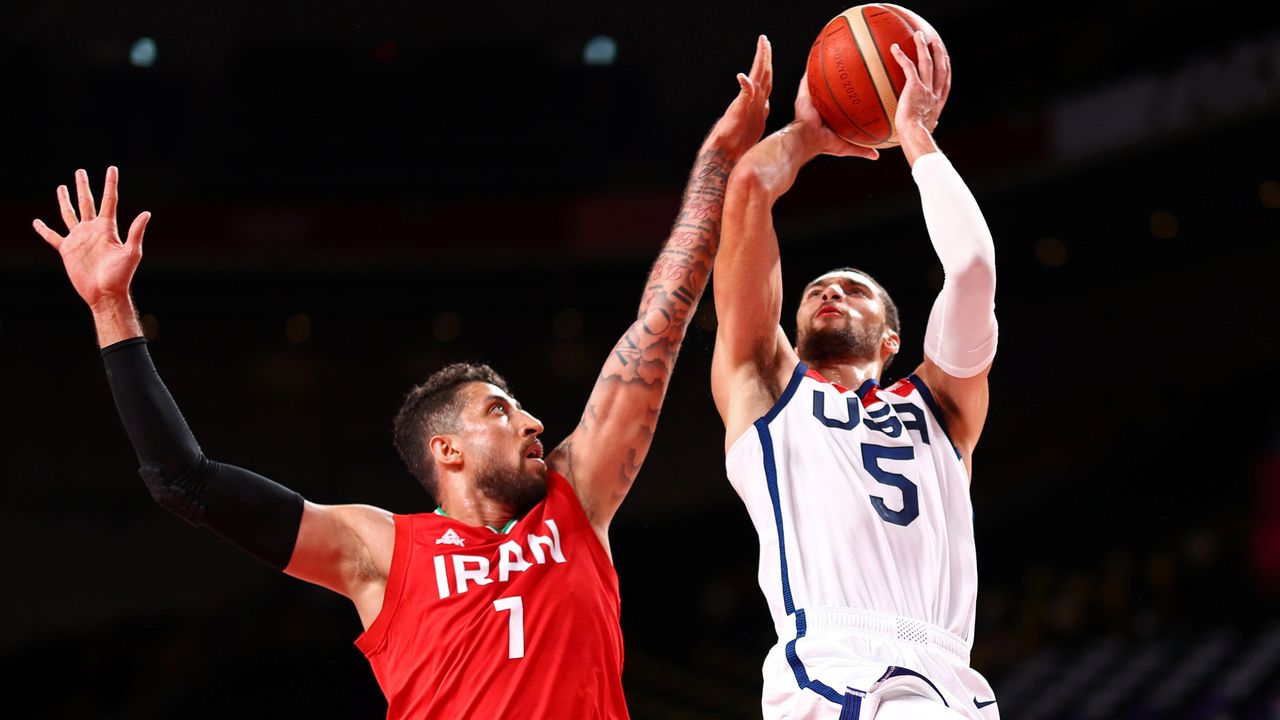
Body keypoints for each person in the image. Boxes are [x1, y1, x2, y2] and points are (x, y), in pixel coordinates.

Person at [33, 37, 774, 719]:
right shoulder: (380, 549)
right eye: (500, 411)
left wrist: (715, 160)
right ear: (447, 449)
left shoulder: (574, 498)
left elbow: (661, 321)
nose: (534, 424)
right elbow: (181, 481)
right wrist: (110, 307)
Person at [711, 32, 1000, 719]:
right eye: (817, 288)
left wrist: (915, 136)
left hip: (950, 676)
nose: (830, 292)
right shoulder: (763, 390)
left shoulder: (944, 409)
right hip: (833, 663)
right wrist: (806, 136)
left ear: (895, 337)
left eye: (854, 288)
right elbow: (749, 187)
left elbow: (973, 269)